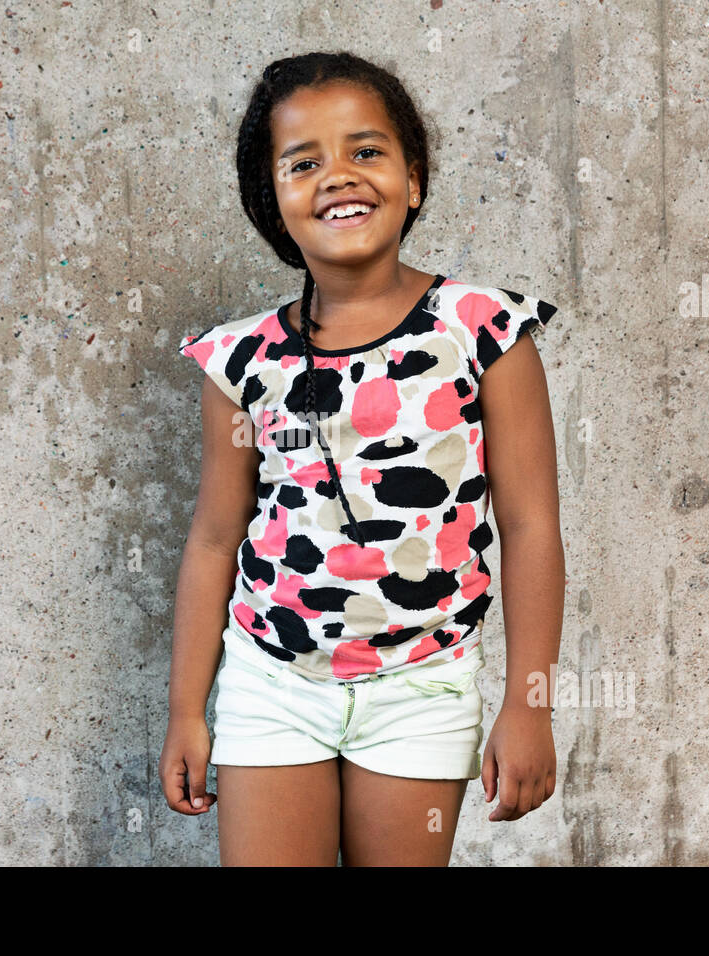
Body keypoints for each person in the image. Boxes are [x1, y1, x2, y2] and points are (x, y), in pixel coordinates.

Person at [161, 51, 565, 866]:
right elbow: (213, 540)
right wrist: (186, 710)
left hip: (422, 685)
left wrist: (530, 706)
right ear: (273, 204)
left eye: (366, 151)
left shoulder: (482, 331)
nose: (338, 176)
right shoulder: (240, 360)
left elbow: (530, 527)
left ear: (414, 180)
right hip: (271, 683)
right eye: (304, 162)